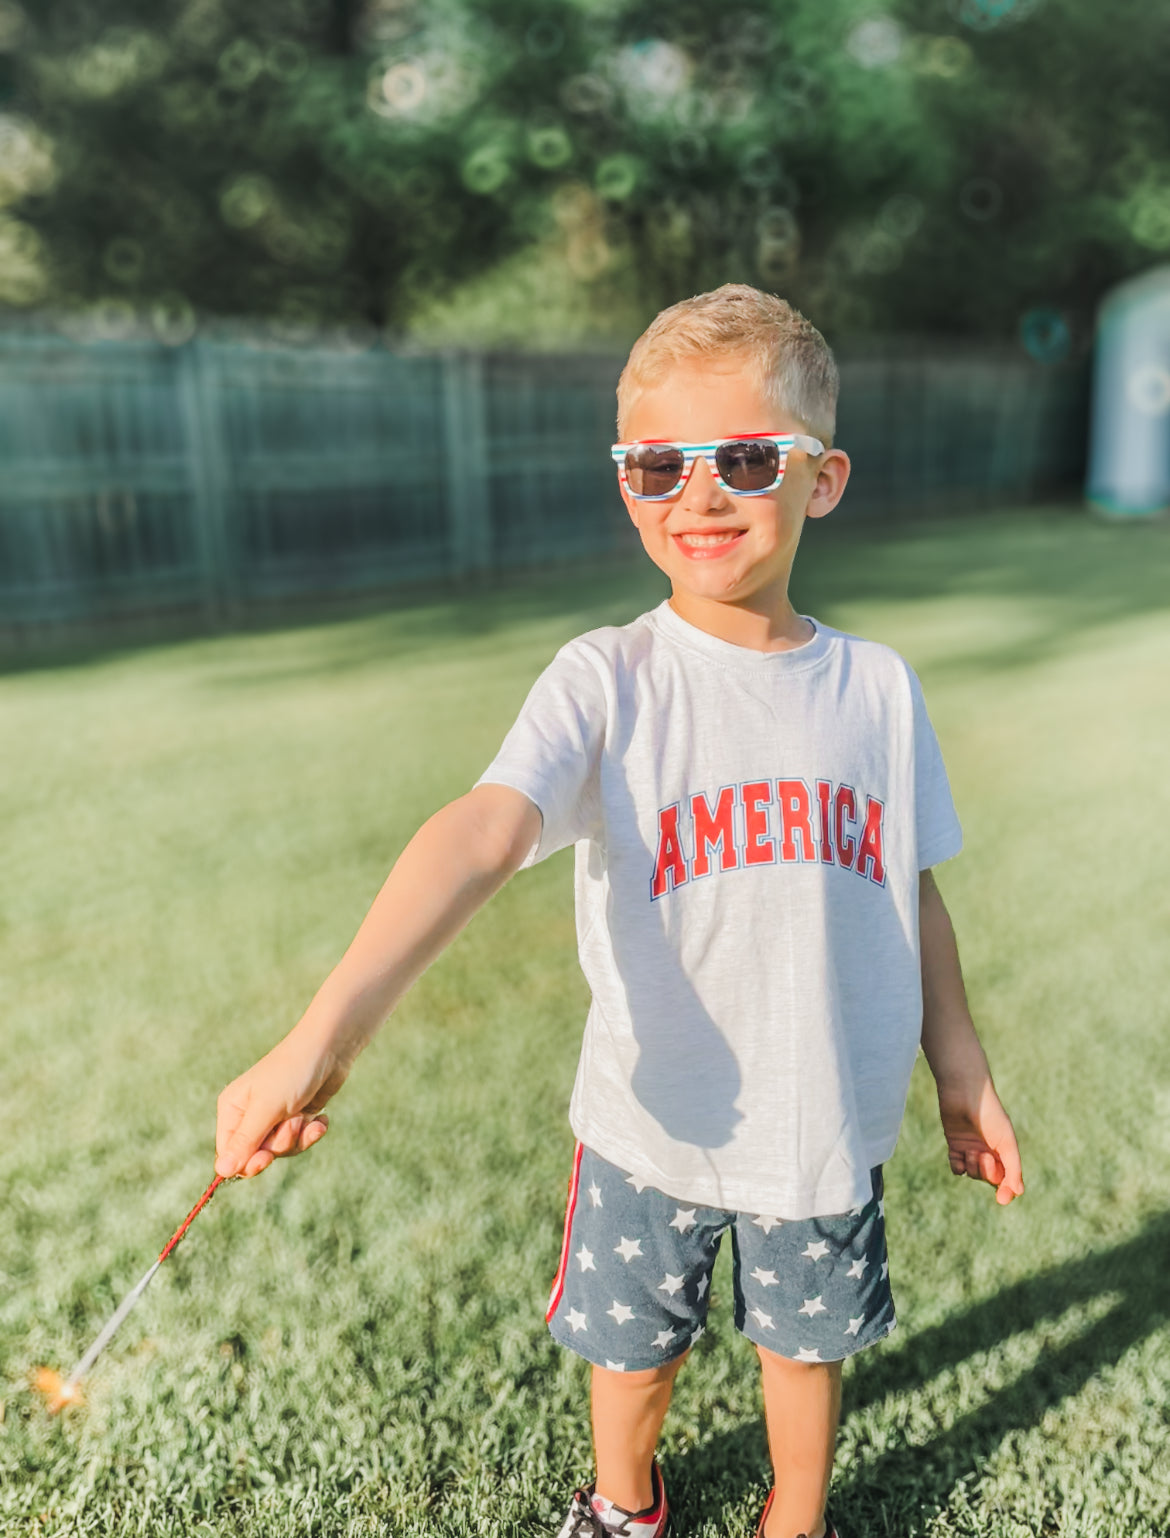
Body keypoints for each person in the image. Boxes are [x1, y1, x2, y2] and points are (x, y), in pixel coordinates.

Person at [214, 284, 1025, 1538]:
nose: (697, 493)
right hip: (652, 1117)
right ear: (628, 484)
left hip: (823, 1114)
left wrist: (959, 1063)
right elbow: (485, 828)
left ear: (824, 478)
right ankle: (625, 1502)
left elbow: (909, 883)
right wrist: (321, 1035)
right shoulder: (609, 677)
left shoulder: (876, 688)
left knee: (802, 1353)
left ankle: (795, 1515)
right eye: (656, 465)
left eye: (747, 456)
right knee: (631, 1352)